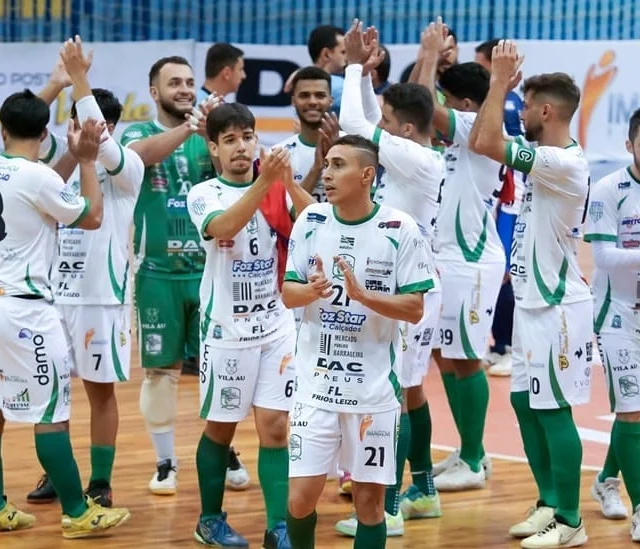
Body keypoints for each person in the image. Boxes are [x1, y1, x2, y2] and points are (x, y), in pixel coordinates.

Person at [283, 134, 436, 549]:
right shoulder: (310, 220)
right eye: (327, 164)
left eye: (339, 165)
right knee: (300, 499)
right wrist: (312, 291)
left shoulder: (399, 228)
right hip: (316, 387)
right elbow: (288, 293)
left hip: (373, 393)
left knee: (369, 505)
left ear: (367, 175)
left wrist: (364, 296)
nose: (327, 174)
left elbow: (415, 308)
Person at [470, 40, 592, 548]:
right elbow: (483, 137)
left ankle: (571, 520)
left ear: (546, 112)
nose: (518, 114)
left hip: (558, 306)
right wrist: (499, 89)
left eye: (526, 107)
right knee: (524, 404)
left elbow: (484, 142)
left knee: (553, 410)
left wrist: (498, 81)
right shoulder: (544, 159)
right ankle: (548, 502)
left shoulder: (561, 162)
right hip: (530, 302)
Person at [0, 90, 130, 538]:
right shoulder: (38, 177)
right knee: (51, 413)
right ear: (44, 134)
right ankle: (77, 511)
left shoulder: (23, 175)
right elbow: (91, 216)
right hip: (25, 310)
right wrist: (87, 160)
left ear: (2, 129)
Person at [334, 20, 444, 537]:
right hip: (408, 286)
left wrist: (354, 66)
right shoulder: (413, 154)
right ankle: (424, 490)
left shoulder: (417, 158)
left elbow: (355, 127)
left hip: (409, 291)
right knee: (409, 392)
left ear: (404, 131)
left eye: (388, 121)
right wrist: (362, 76)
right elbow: (368, 121)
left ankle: (391, 508)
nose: (382, 126)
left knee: (393, 398)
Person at [120, 55, 248, 495]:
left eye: (190, 82)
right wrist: (192, 129)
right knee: (161, 372)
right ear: (154, 92)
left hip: (211, 271)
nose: (185, 89)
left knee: (220, 367)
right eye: (174, 82)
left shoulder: (210, 135)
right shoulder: (137, 132)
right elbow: (138, 158)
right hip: (157, 273)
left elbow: (240, 174)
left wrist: (216, 134)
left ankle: (224, 449)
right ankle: (165, 462)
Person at [25, 37, 144, 507]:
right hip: (51, 296)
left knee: (99, 392)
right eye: (71, 121)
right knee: (50, 392)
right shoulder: (58, 155)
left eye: (87, 121)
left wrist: (79, 78)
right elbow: (21, 124)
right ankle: (59, 474)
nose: (77, 129)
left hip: (101, 297)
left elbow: (103, 148)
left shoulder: (127, 166)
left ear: (109, 128)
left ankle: (100, 481)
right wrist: (60, 84)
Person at [186, 103, 303, 549]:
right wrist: (264, 183)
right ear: (213, 148)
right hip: (226, 331)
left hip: (276, 326)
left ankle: (278, 527)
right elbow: (223, 227)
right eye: (230, 139)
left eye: (247, 137)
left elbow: (315, 223)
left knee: (275, 427)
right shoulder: (204, 193)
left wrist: (289, 183)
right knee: (222, 427)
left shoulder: (276, 188)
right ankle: (209, 520)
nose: (241, 147)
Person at [417, 18, 504, 491]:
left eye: (448, 98)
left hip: (470, 262)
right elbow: (415, 107)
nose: (442, 105)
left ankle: (471, 460)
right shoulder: (463, 127)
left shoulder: (472, 125)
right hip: (446, 258)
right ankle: (474, 449)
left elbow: (421, 106)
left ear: (466, 105)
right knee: (444, 355)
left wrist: (430, 54)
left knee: (466, 357)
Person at [583, 108, 640, 537]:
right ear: (629, 144)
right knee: (631, 411)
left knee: (632, 411)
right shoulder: (608, 190)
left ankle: (605, 480)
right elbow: (602, 257)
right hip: (616, 312)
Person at [475, 38, 526, 377]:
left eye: (481, 64)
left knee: (505, 274)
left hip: (510, 202)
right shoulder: (497, 100)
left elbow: (493, 146)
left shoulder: (505, 104)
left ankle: (508, 347)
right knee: (494, 272)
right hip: (496, 201)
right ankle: (497, 345)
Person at [274, 66, 334, 203]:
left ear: (330, 100)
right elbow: (286, 211)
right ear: (293, 101)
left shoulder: (354, 148)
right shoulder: (278, 155)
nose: (312, 102)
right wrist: (316, 168)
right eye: (304, 95)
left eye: (320, 95)